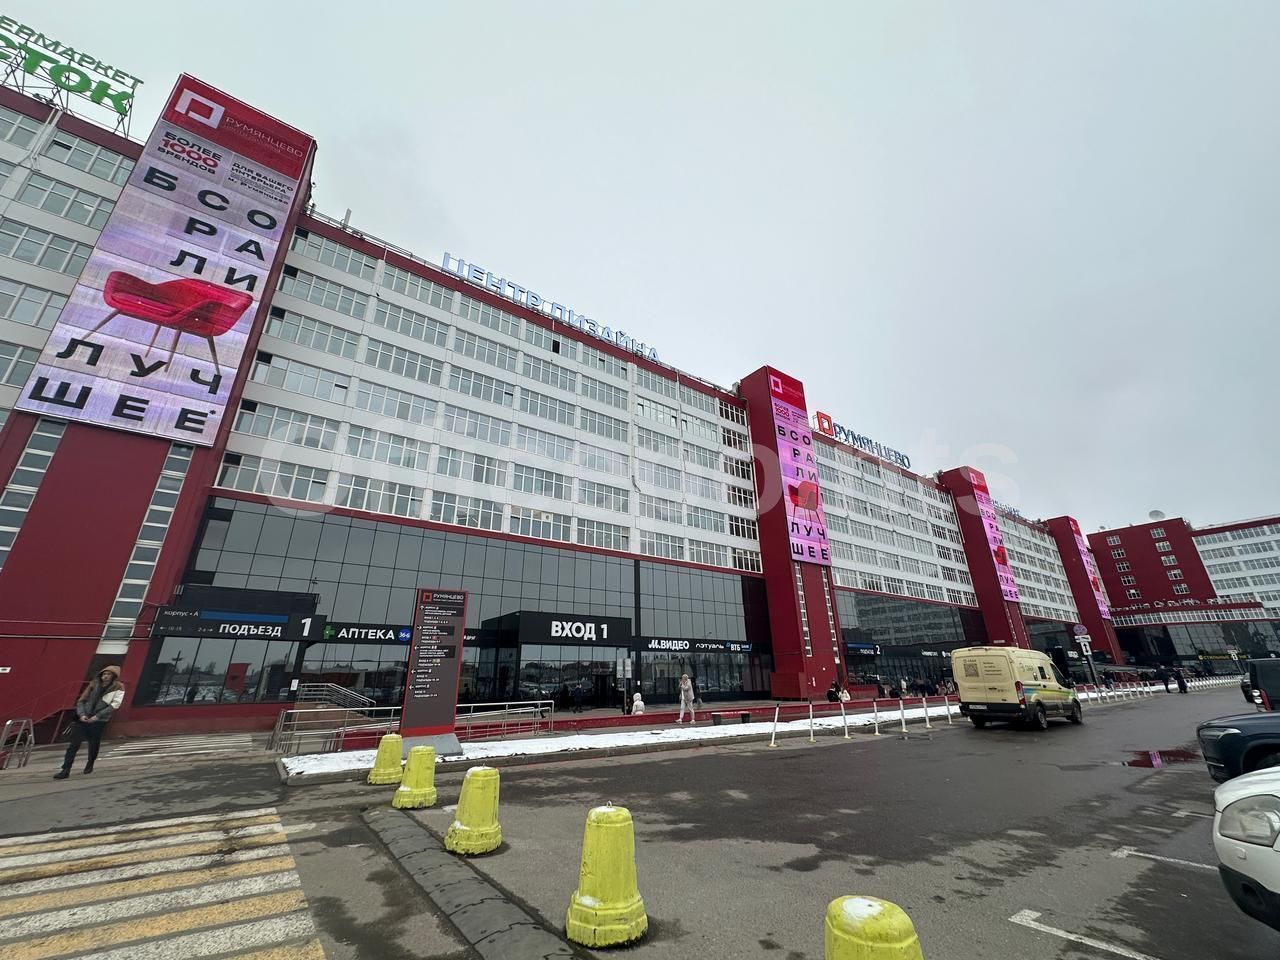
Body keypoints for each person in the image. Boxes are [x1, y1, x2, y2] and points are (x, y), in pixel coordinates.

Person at [55, 666, 125, 780]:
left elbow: (115, 704)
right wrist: (81, 714)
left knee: (93, 743)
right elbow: (81, 700)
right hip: (84, 717)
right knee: (74, 744)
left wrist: (98, 716)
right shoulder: (93, 684)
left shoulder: (119, 687)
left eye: (108, 674)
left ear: (113, 676)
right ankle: (65, 769)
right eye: (104, 674)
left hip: (99, 720)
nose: (105, 676)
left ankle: (90, 762)